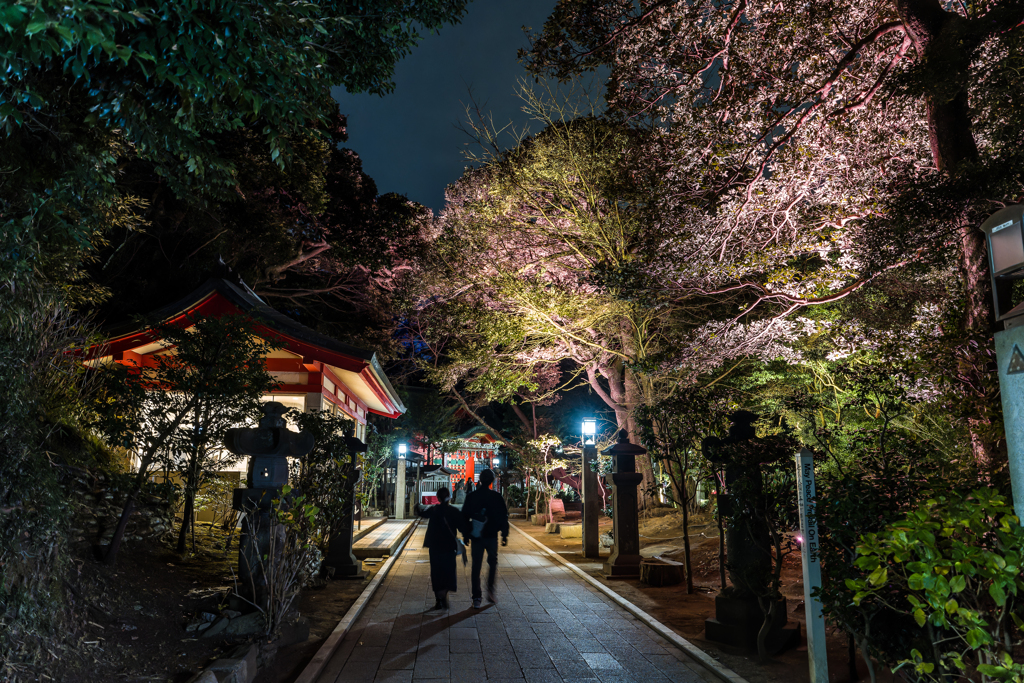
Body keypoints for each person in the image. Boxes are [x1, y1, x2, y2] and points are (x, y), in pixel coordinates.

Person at [461, 469, 508, 608]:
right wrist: (504, 534)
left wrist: (466, 534)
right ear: (492, 481)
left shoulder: (472, 496)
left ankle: (476, 597)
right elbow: (503, 517)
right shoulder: (497, 497)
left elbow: (464, 516)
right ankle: (491, 590)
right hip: (492, 535)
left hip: (476, 535)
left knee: (476, 565)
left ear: (480, 480)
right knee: (492, 563)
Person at [416, 486, 469, 610]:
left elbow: (422, 514)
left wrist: (416, 507)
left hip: (435, 546)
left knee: (436, 571)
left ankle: (438, 599)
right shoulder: (454, 511)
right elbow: (462, 526)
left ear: (438, 498)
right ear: (449, 497)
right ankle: (444, 594)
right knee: (448, 571)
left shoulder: (434, 510)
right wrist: (467, 537)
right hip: (449, 546)